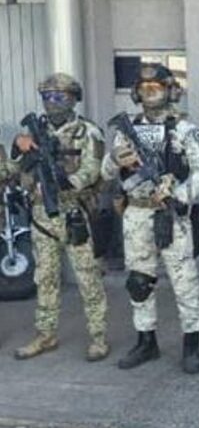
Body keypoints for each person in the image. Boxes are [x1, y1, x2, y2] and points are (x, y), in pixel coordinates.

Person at [102, 63, 199, 374]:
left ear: (170, 91)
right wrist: (114, 160)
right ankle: (146, 342)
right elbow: (106, 174)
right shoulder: (126, 130)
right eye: (144, 89)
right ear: (136, 93)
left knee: (184, 283)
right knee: (139, 281)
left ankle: (192, 346)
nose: (150, 94)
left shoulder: (184, 129)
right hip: (136, 212)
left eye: (156, 88)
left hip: (172, 213)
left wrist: (179, 195)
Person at [12, 73, 109, 362]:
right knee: (45, 278)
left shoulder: (88, 132)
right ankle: (46, 334)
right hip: (42, 217)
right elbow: (14, 170)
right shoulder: (34, 132)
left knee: (88, 278)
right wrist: (18, 148)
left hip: (75, 214)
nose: (52, 102)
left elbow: (92, 171)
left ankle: (98, 337)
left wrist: (60, 183)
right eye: (47, 97)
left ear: (73, 99)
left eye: (59, 96)